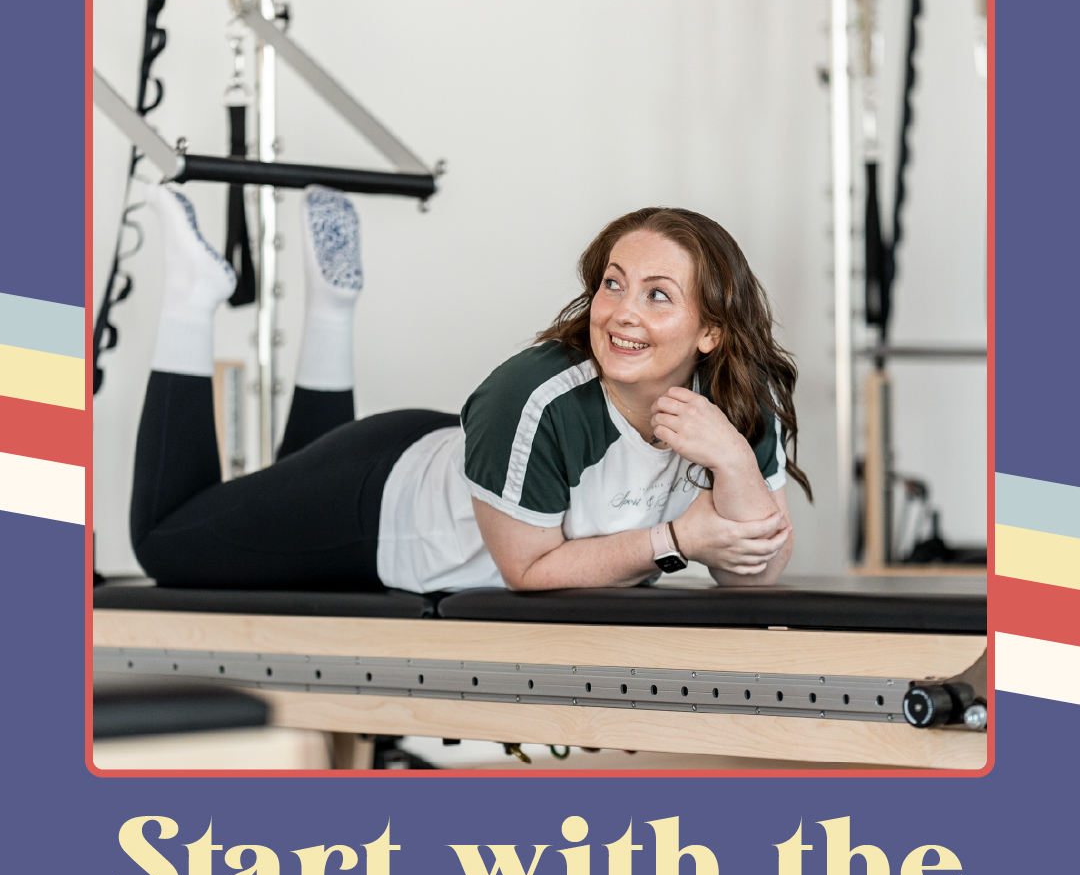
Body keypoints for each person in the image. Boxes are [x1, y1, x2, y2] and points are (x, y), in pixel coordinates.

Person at [130, 187, 811, 595]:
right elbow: (529, 571)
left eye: (657, 295)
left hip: (466, 465)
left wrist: (735, 460)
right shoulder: (537, 394)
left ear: (711, 333)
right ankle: (194, 298)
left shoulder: (735, 399)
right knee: (166, 543)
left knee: (278, 483)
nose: (621, 311)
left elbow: (754, 575)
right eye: (613, 282)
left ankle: (333, 309)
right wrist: (675, 538)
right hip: (376, 506)